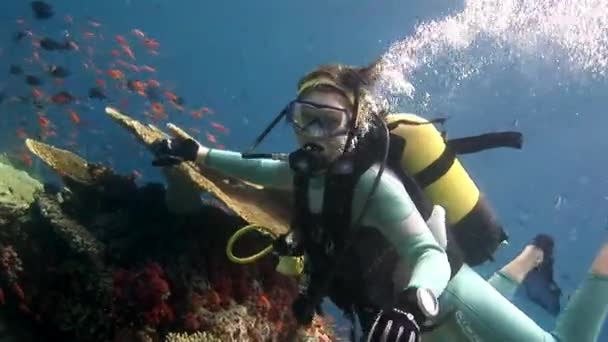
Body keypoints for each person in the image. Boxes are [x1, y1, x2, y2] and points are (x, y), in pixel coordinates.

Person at [151, 62, 608, 341]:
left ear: (352, 127)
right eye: (302, 119)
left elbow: (427, 253)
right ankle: (531, 256)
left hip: (444, 296)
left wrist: (413, 304)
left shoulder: (376, 186)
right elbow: (257, 168)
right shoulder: (303, 173)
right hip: (407, 323)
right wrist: (198, 154)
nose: (311, 134)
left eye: (326, 122)